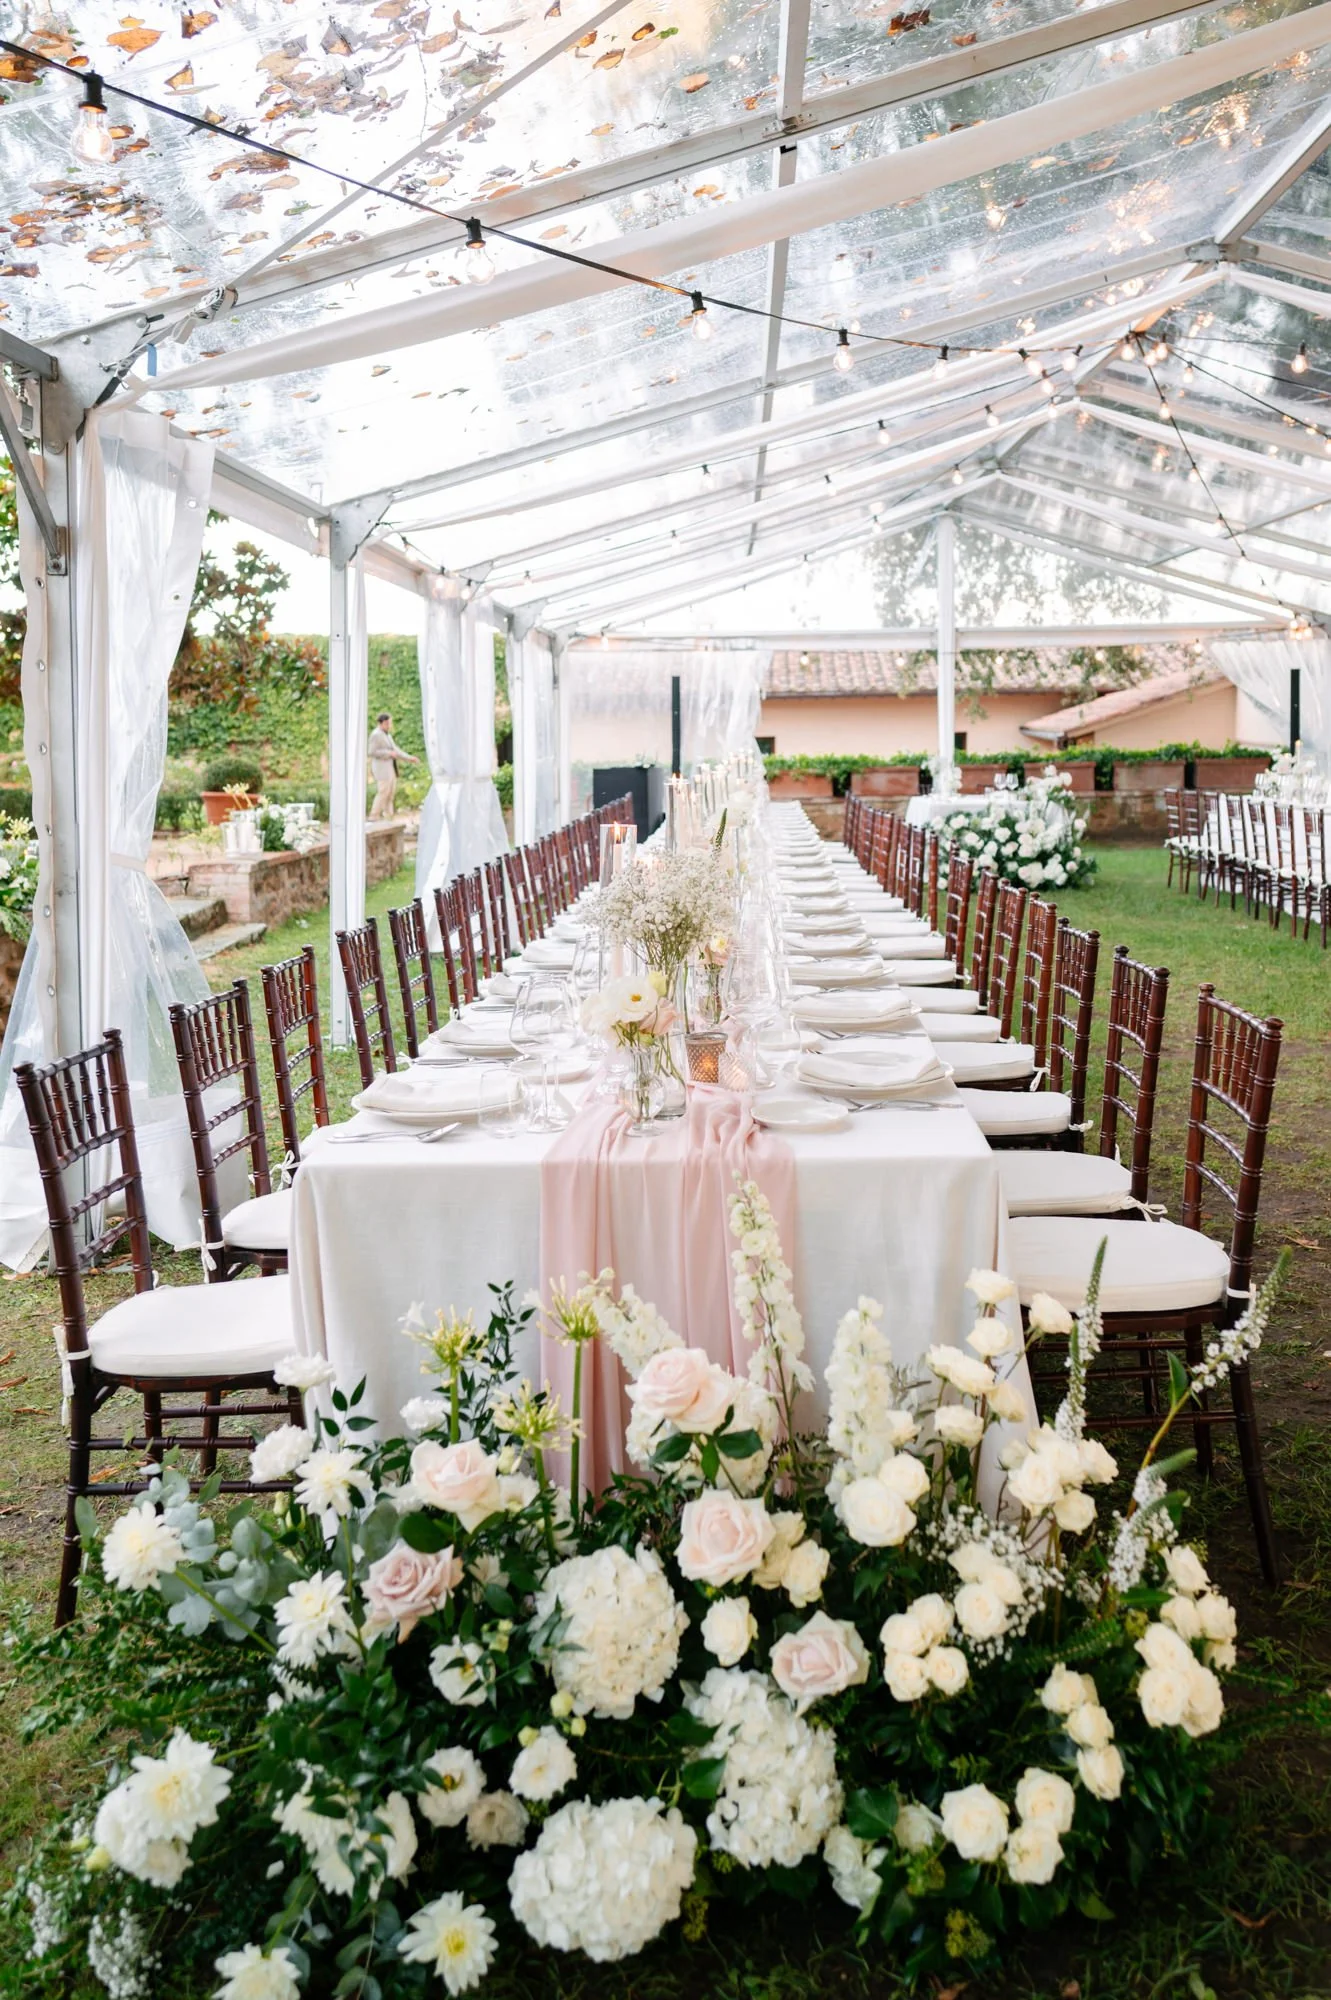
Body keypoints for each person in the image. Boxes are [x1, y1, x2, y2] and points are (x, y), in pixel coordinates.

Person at [367, 710, 418, 819]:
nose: (389, 726)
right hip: (382, 769)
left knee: (390, 793)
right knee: (383, 792)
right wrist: (388, 753)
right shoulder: (376, 735)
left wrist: (409, 758)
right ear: (381, 723)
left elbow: (396, 750)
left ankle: (389, 815)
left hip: (390, 768)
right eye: (387, 723)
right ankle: (374, 815)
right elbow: (371, 752)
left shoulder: (387, 735)